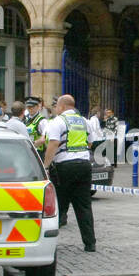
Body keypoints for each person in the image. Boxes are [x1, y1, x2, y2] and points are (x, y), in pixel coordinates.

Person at [43, 95, 96, 252]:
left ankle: (49, 243)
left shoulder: (58, 122)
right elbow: (91, 142)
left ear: (61, 107)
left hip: (64, 167)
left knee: (58, 205)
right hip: (84, 165)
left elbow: (53, 143)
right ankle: (90, 243)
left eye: (56, 107)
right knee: (84, 205)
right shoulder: (85, 122)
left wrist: (46, 165)